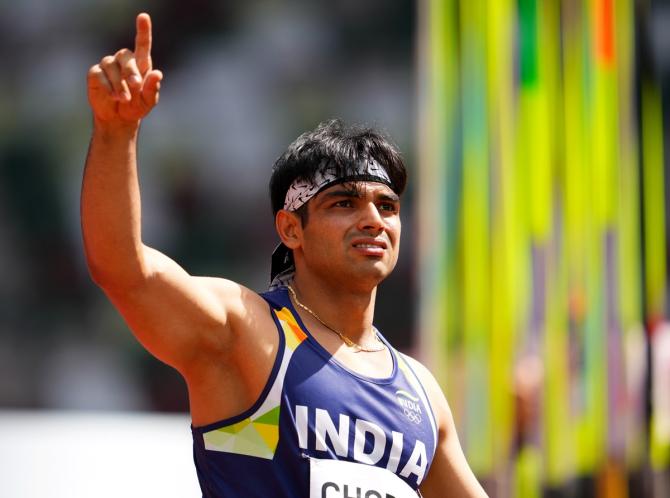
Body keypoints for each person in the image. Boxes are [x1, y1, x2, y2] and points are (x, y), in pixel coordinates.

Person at [82, 12, 488, 498]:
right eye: (344, 203)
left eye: (387, 206)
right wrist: (115, 133)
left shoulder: (420, 393)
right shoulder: (248, 333)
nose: (373, 220)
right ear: (291, 228)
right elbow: (123, 268)